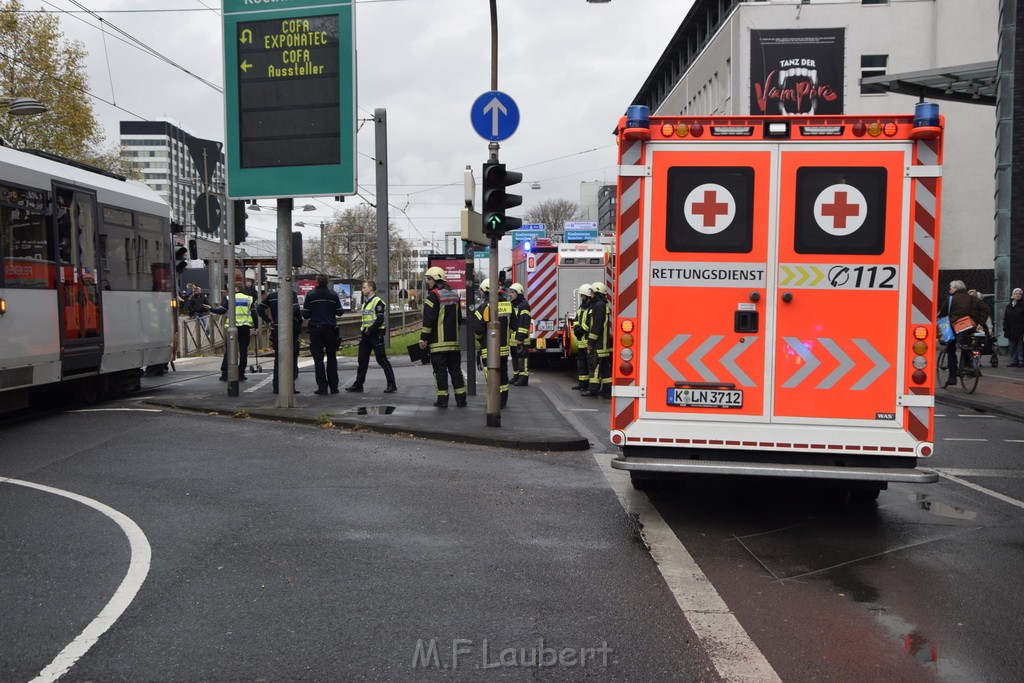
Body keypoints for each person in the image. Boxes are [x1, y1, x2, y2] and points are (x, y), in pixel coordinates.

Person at [419, 266, 466, 408]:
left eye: (429, 279)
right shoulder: (454, 294)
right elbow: (459, 318)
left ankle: (443, 399)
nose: (427, 282)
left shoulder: (433, 296)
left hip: (438, 344)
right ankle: (461, 399)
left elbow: (429, 320)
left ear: (436, 279)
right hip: (454, 342)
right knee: (456, 371)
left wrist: (423, 338)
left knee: (440, 372)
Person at [346, 280, 398, 393]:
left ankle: (392, 384)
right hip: (366, 335)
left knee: (382, 360)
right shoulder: (365, 303)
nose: (362, 289)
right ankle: (358, 384)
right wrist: (365, 330)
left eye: (364, 287)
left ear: (370, 288)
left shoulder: (377, 302)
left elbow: (380, 319)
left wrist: (370, 329)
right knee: (362, 359)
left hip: (375, 334)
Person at [473, 278, 512, 407]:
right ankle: (503, 401)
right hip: (504, 348)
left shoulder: (484, 307)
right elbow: (514, 325)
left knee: (491, 375)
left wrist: (480, 339)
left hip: (488, 348)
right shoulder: (507, 305)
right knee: (504, 375)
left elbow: (477, 329)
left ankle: (494, 401)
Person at [303, 273, 344, 395]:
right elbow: (340, 312)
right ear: (327, 282)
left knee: (318, 359)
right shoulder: (333, 295)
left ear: (317, 281)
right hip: (331, 330)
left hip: (316, 330)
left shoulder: (311, 295)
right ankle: (334, 387)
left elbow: (305, 314)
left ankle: (322, 387)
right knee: (332, 357)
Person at [939, 280, 984, 387]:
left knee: (951, 350)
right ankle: (969, 366)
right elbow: (985, 309)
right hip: (969, 327)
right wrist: (979, 323)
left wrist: (936, 318)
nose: (950, 289)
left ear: (955, 288)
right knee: (967, 346)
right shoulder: (972, 298)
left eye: (951, 287)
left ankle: (952, 377)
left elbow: (943, 313)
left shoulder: (950, 299)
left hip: (955, 327)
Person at [258, 287, 302, 394]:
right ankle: (290, 386)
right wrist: (298, 321)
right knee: (292, 358)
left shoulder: (272, 296)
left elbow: (260, 308)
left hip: (277, 329)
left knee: (278, 359)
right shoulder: (291, 294)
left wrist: (268, 321)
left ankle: (277, 387)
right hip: (290, 329)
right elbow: (296, 309)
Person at [208, 287, 257, 381]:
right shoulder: (249, 299)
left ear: (237, 288)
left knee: (229, 351)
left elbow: (222, 311)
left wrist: (210, 308)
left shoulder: (230, 298)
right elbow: (254, 314)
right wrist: (256, 327)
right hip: (244, 328)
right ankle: (241, 374)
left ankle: (225, 374)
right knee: (243, 352)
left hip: (232, 328)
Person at [583, 281, 612, 398]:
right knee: (605, 368)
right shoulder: (602, 305)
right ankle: (607, 389)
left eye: (592, 293)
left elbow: (596, 326)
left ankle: (593, 389)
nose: (591, 295)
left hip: (598, 345)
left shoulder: (598, 306)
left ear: (597, 293)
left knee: (594, 366)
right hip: (603, 344)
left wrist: (591, 342)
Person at [508, 282, 532, 387]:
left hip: (521, 338)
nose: (510, 294)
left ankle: (523, 378)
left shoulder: (524, 306)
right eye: (510, 292)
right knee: (515, 357)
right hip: (513, 338)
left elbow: (524, 322)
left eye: (512, 292)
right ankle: (517, 376)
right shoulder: (513, 305)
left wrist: (520, 338)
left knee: (522, 357)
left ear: (518, 293)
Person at [572, 284, 594, 390]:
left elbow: (589, 322)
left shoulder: (592, 308)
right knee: (582, 365)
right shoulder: (581, 307)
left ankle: (591, 385)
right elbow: (576, 319)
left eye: (583, 296)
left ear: (587, 296)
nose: (581, 298)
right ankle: (582, 384)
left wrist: (581, 329)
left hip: (588, 341)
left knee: (590, 364)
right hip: (581, 342)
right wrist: (576, 328)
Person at [1003, 287, 1024, 367]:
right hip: (1011, 329)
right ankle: (1014, 361)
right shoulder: (1009, 305)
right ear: (1012, 295)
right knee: (1012, 346)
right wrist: (1005, 327)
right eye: (1016, 293)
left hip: (1021, 330)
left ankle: (1021, 361)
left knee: (1020, 347)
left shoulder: (1022, 305)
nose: (1017, 295)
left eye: (1019, 294)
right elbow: (1006, 318)